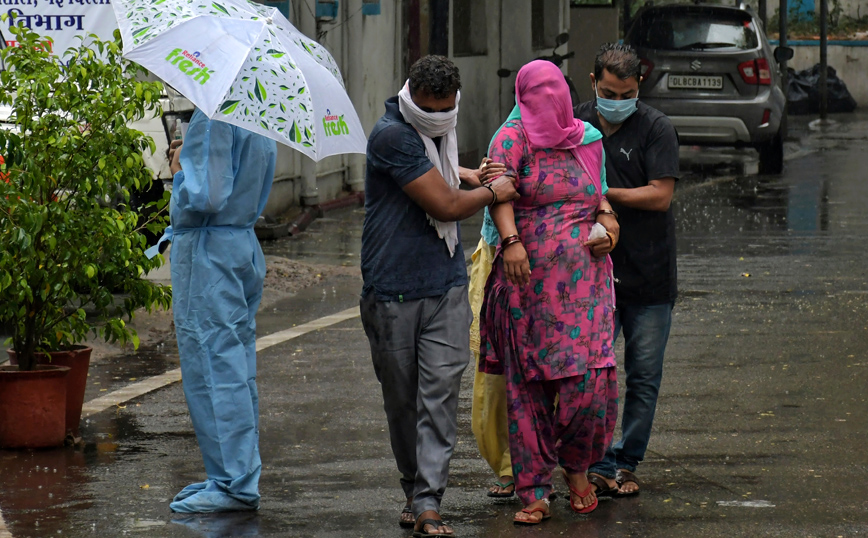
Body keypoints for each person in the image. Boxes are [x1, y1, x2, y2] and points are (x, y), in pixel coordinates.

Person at [360, 55, 518, 538]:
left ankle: (429, 502)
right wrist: (494, 191)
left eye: (446, 110)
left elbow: (446, 176)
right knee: (403, 402)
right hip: (392, 292)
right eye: (429, 110)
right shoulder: (392, 135)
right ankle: (414, 488)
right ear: (409, 96)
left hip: (445, 287)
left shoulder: (438, 136)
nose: (438, 120)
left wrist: (467, 173)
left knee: (440, 398)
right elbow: (444, 204)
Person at [478, 60, 620, 525]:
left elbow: (601, 200)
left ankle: (577, 468)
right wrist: (512, 242)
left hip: (587, 286)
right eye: (535, 93)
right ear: (521, 96)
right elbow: (500, 193)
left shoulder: (588, 140)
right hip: (527, 287)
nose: (545, 101)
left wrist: (609, 229)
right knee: (529, 389)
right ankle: (534, 489)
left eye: (552, 91)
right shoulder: (511, 137)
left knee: (590, 385)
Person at [577, 43, 680, 498]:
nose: (616, 100)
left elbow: (660, 195)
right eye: (609, 90)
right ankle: (594, 462)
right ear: (593, 82)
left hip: (650, 275)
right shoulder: (574, 124)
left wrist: (601, 193)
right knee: (591, 373)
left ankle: (627, 460)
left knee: (643, 375)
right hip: (589, 276)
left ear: (639, 88)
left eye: (627, 92)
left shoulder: (656, 128)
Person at [162, 108, 277, 513]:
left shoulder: (214, 116)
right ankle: (236, 473)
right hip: (239, 248)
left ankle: (232, 482)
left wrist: (179, 170)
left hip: (209, 254)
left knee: (212, 366)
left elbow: (206, 195)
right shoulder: (256, 115)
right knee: (235, 367)